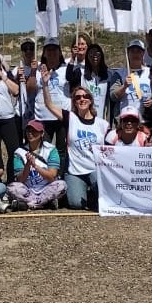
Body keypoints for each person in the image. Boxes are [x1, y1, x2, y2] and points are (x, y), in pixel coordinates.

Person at [43, 77, 108, 210]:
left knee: (104, 194)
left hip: (95, 169)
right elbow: (49, 104)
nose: (82, 99)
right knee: (76, 204)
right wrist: (45, 84)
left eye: (85, 96)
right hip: (75, 171)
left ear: (90, 100)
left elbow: (118, 142)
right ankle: (85, 193)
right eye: (78, 98)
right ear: (74, 102)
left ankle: (92, 193)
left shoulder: (102, 124)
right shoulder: (70, 118)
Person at [7, 121, 66, 210]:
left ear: (41, 133)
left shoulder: (51, 150)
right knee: (12, 187)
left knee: (62, 185)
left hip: (46, 188)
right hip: (28, 189)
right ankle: (43, 203)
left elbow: (52, 176)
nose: (30, 134)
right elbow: (20, 179)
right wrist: (27, 165)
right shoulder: (19, 152)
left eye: (34, 131)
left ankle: (29, 204)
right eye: (28, 131)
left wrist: (36, 166)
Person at [111, 39, 152, 131]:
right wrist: (124, 86)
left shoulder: (150, 72)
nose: (136, 55)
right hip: (125, 123)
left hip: (145, 123)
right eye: (133, 52)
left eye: (138, 52)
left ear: (143, 53)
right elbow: (113, 96)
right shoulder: (119, 74)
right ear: (128, 53)